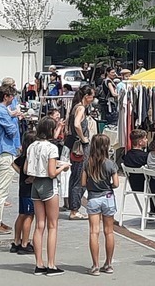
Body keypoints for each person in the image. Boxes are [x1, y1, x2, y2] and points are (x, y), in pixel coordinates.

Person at [27, 116, 70, 275]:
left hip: (35, 183)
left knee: (39, 225)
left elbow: (26, 168)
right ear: (51, 130)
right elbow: (52, 173)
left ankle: (39, 263)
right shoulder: (52, 148)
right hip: (48, 185)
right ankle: (51, 264)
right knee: (53, 226)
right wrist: (63, 168)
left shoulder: (32, 146)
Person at [0, 83, 22, 234]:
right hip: (3, 152)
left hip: (2, 151)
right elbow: (12, 130)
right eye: (11, 95)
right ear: (6, 97)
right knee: (1, 190)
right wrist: (14, 118)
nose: (13, 98)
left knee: (1, 188)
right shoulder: (0, 111)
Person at [84, 133, 120, 275]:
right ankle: (109, 264)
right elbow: (116, 184)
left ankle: (95, 266)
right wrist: (108, 184)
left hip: (93, 197)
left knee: (94, 231)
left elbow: (82, 183)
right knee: (109, 231)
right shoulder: (111, 164)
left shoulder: (88, 163)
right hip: (108, 197)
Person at [66, 85, 96, 220]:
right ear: (86, 96)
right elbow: (77, 124)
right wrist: (84, 138)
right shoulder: (81, 108)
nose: (93, 99)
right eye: (92, 96)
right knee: (80, 177)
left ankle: (73, 206)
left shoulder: (75, 106)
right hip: (80, 147)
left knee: (75, 177)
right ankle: (74, 209)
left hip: (75, 146)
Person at [12, 127, 37, 256]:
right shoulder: (30, 157)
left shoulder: (22, 156)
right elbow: (27, 170)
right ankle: (25, 243)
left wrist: (20, 174)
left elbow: (14, 164)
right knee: (29, 216)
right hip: (29, 190)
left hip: (22, 188)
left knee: (21, 214)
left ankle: (16, 241)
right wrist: (31, 177)